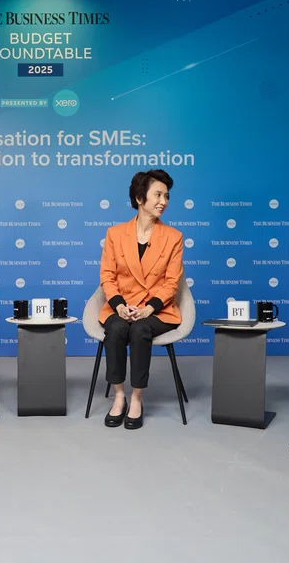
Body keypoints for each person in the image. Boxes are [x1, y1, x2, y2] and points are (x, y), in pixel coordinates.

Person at [98, 169, 184, 430]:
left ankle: (137, 398)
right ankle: (119, 395)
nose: (163, 201)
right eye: (157, 194)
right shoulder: (115, 234)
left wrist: (149, 309)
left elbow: (172, 283)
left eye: (167, 196)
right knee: (116, 328)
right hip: (122, 305)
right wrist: (120, 306)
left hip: (158, 311)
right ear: (139, 198)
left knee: (140, 329)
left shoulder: (174, 237)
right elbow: (107, 276)